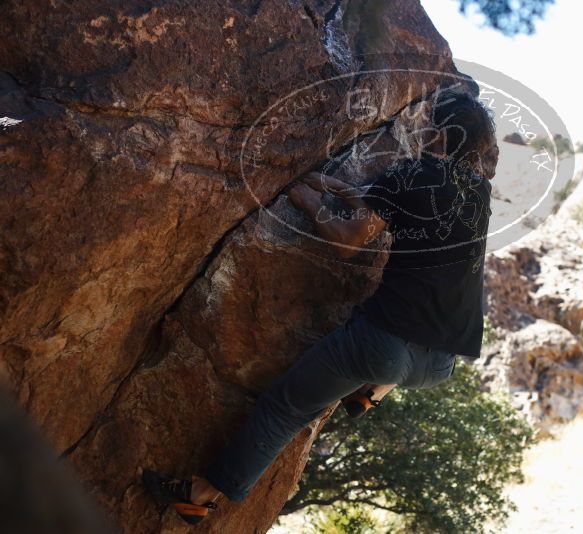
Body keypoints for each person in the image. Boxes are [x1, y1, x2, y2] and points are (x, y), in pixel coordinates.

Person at [142, 89, 497, 525]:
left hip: (383, 345)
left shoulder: (412, 172)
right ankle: (372, 393)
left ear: (441, 134)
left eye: (429, 124)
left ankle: (199, 496)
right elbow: (412, 212)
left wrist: (308, 201)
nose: (421, 130)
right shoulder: (480, 195)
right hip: (439, 365)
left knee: (285, 408)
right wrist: (352, 194)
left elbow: (349, 241)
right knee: (389, 356)